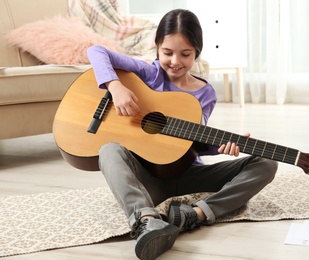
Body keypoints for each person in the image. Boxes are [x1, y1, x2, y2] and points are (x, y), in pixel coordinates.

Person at [87, 9, 278, 260]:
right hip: (149, 178)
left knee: (267, 162)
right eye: (167, 53)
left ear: (197, 52)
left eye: (185, 54)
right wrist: (115, 86)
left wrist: (223, 146)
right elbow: (96, 51)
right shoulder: (148, 74)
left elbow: (195, 142)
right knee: (109, 149)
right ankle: (146, 221)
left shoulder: (205, 93)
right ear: (157, 47)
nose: (175, 61)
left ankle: (195, 214)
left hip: (188, 173)